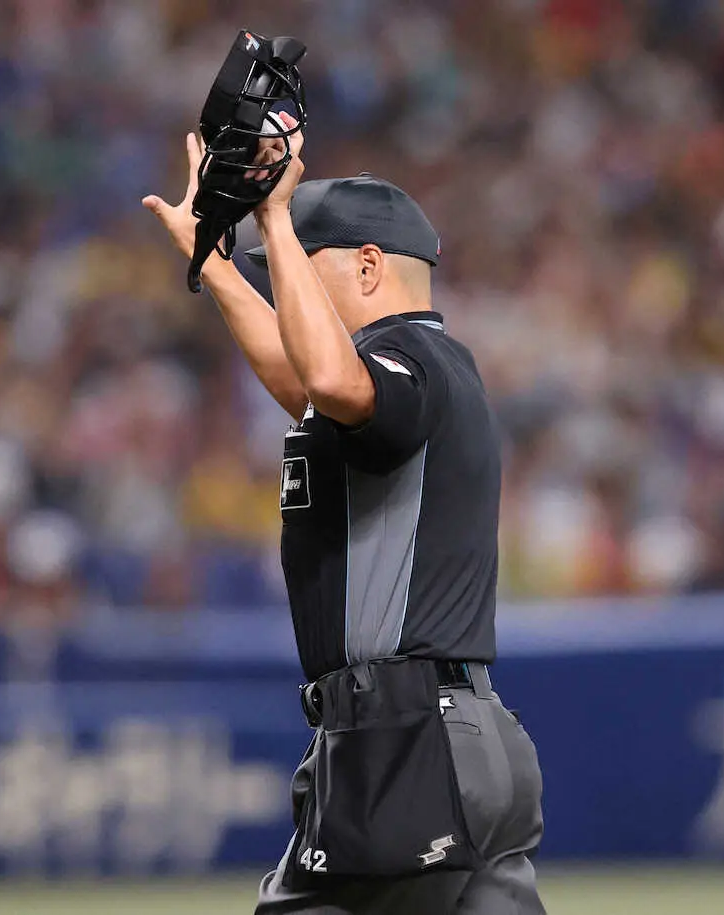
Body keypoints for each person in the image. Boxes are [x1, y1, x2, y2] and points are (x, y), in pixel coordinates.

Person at [143, 116, 546, 914]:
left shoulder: (410, 358)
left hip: (409, 741)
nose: (282, 279)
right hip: (451, 734)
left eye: (297, 262)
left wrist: (274, 215)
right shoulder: (416, 376)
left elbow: (327, 378)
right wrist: (215, 266)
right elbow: (307, 382)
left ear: (368, 266)